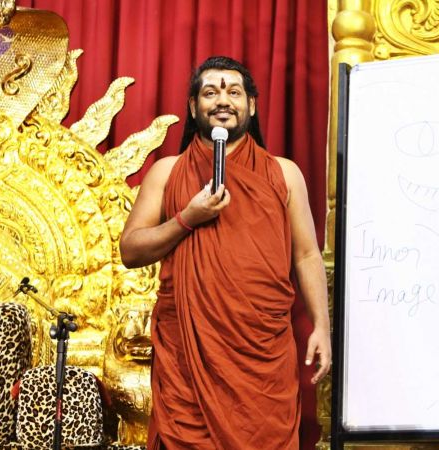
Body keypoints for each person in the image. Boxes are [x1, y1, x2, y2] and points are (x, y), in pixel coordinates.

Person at [120, 56, 331, 450]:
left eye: (234, 92)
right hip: (188, 356)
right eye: (210, 92)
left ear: (251, 105)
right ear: (192, 106)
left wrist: (322, 325)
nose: (222, 100)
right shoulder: (167, 172)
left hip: (261, 355)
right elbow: (130, 250)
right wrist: (187, 218)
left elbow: (306, 255)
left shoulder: (284, 173)